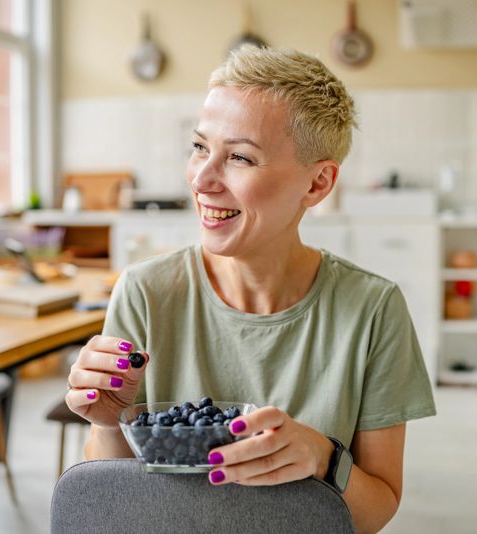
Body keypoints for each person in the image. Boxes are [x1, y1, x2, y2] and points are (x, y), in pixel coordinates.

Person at [66, 46, 435, 533]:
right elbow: (112, 505)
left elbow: (375, 511)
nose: (201, 178)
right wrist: (108, 420)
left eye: (239, 156)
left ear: (318, 183)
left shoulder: (372, 310)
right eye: (200, 147)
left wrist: (323, 458)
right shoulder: (145, 292)